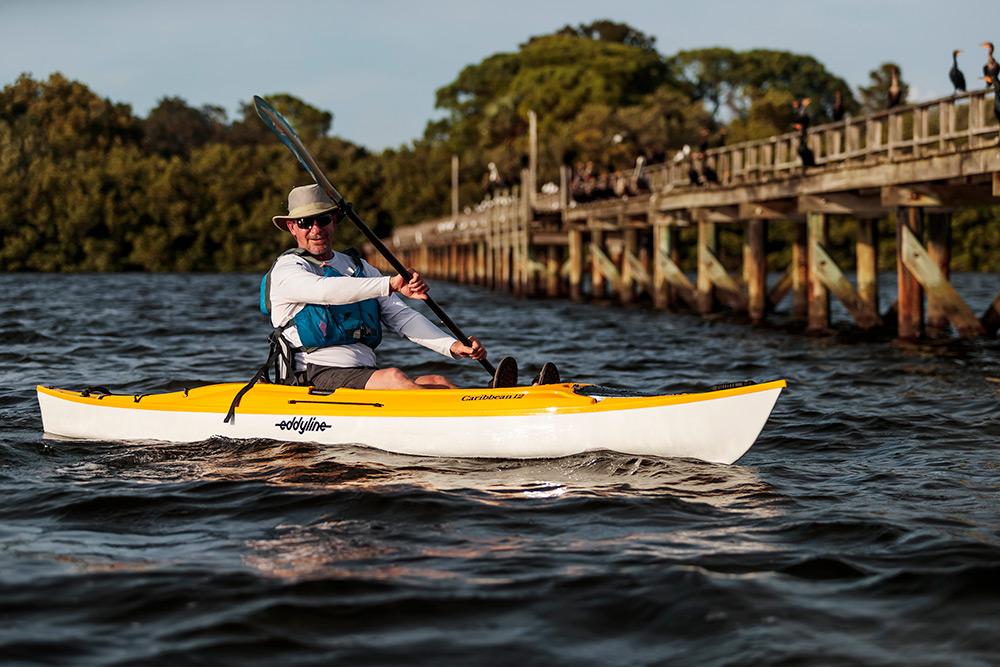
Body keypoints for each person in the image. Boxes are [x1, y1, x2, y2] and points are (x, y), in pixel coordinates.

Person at [262, 184, 525, 390]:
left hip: (360, 373)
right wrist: (391, 283)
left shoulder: (360, 267)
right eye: (306, 223)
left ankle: (488, 403)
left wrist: (452, 346)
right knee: (394, 378)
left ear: (334, 221)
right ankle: (475, 417)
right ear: (291, 227)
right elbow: (325, 290)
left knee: (438, 381)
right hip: (312, 375)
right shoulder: (288, 269)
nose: (316, 229)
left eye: (323, 219)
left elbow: (402, 317)